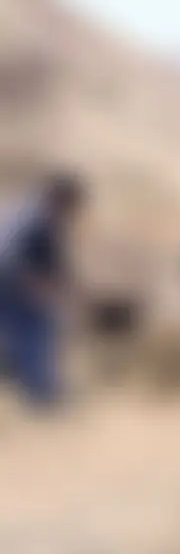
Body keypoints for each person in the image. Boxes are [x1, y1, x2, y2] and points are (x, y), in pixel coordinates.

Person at [0, 172, 84, 409]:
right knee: (36, 328)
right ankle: (41, 395)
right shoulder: (36, 221)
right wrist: (40, 289)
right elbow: (11, 261)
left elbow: (55, 264)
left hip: (15, 286)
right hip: (11, 287)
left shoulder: (34, 217)